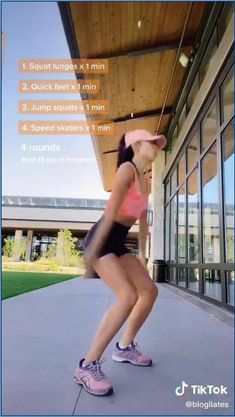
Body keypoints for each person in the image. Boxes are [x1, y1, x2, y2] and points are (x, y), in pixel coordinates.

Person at [73, 129, 166, 396]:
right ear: (136, 144)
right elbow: (111, 212)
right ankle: (87, 366)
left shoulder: (146, 181)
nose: (157, 146)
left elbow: (144, 222)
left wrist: (143, 255)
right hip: (102, 238)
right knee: (126, 296)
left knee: (149, 291)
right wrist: (92, 255)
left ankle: (124, 348)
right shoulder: (126, 169)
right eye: (152, 142)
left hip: (119, 241)